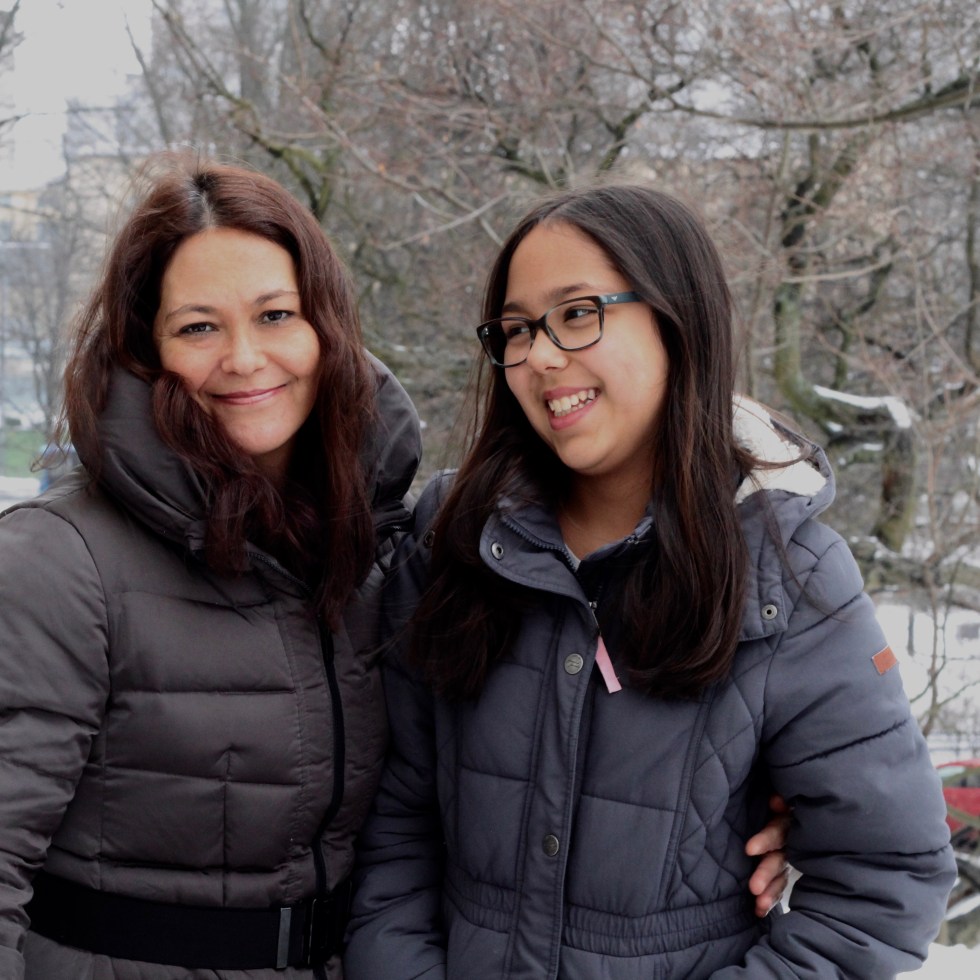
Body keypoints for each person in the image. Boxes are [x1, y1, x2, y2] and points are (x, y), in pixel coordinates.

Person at [344, 183, 958, 978]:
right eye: (518, 329)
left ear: (677, 318)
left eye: (577, 313)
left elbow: (882, 883)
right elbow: (396, 829)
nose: (541, 356)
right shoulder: (454, 541)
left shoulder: (785, 569)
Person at [0, 157, 422, 979]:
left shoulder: (376, 550)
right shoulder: (60, 562)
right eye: (198, 327)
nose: (243, 357)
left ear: (326, 327)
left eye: (275, 315)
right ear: (144, 349)